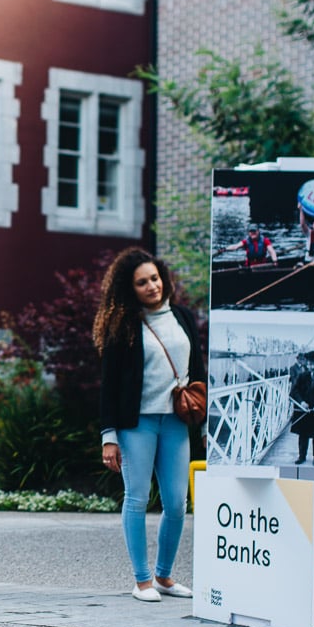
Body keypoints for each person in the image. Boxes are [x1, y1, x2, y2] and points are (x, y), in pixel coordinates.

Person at [95, 249, 204, 601]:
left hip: (176, 420)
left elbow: (198, 372)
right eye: (142, 283)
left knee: (176, 503)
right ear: (131, 289)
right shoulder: (123, 326)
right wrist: (109, 436)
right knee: (137, 498)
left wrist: (204, 424)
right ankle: (142, 580)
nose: (151, 286)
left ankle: (164, 577)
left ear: (163, 278)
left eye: (154, 278)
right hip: (136, 423)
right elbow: (109, 385)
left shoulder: (184, 317)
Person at [288, 351, 314, 464]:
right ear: (307, 364)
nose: (312, 367)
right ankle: (302, 457)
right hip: (304, 411)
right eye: (310, 364)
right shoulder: (302, 376)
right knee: (303, 435)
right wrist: (301, 402)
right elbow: (294, 391)